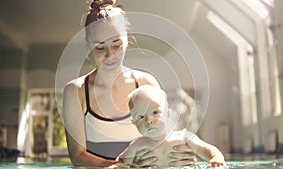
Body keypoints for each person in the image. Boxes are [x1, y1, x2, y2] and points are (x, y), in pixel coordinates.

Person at [63, 0, 196, 167]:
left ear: (127, 39)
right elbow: (78, 156)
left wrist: (181, 153)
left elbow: (163, 138)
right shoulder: (76, 91)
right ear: (88, 46)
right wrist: (123, 166)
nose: (110, 55)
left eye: (116, 45)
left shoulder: (146, 83)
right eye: (99, 48)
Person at [117, 85, 226, 168]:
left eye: (155, 112)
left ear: (168, 114)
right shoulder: (137, 145)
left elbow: (206, 149)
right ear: (134, 123)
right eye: (140, 116)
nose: (148, 120)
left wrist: (216, 157)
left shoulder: (184, 137)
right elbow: (119, 164)